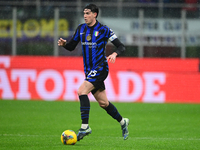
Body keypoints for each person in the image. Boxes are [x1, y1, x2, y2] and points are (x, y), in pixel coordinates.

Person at [58, 4, 129, 141]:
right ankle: (123, 121)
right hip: (89, 70)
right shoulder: (81, 29)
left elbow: (121, 46)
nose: (85, 15)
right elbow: (72, 46)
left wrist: (114, 54)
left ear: (95, 14)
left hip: (101, 68)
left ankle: (85, 127)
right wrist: (65, 44)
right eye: (84, 13)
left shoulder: (104, 30)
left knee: (81, 91)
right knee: (104, 103)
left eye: (88, 13)